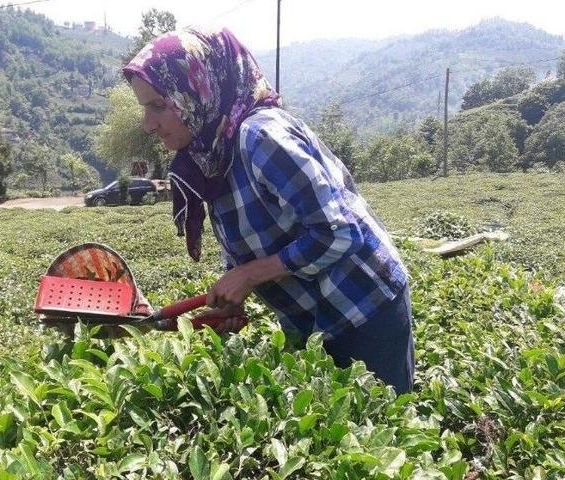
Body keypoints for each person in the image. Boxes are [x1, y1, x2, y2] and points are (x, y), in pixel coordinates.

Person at [123, 28, 414, 394]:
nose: (149, 124)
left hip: (364, 308)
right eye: (145, 108)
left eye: (158, 106)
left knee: (385, 431)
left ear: (196, 91)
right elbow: (253, 236)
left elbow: (339, 232)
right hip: (311, 320)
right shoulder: (213, 150)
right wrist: (234, 294)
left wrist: (248, 276)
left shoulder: (260, 138)